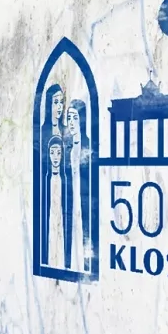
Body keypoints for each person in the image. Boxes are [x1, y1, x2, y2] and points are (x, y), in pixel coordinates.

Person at [66, 99, 93, 270]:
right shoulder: (67, 148)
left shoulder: (88, 147)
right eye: (69, 118)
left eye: (75, 118)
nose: (71, 123)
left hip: (84, 202)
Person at [43, 136, 65, 269]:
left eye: (58, 153)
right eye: (52, 153)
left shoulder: (63, 179)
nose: (55, 157)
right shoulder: (47, 179)